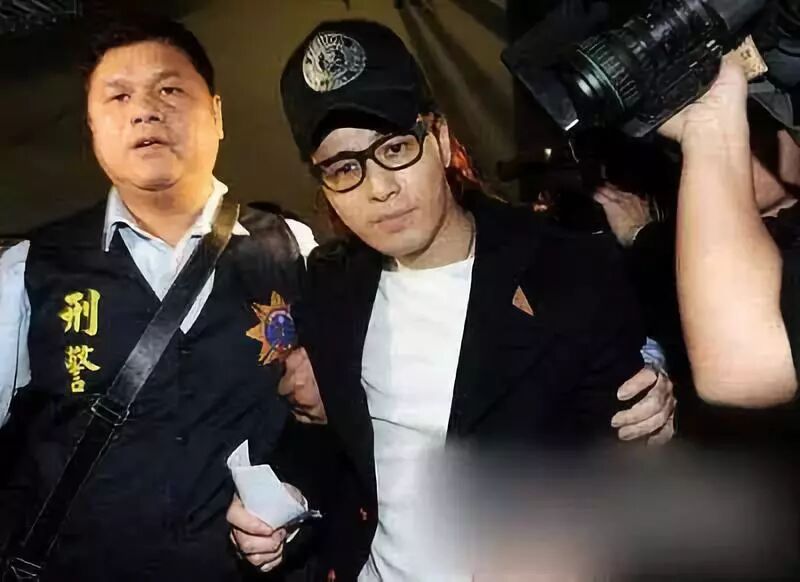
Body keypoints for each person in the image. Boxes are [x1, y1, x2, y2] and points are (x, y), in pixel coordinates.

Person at [228, 19, 677, 581]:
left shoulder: (568, 271)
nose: (380, 188)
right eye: (345, 168)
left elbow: (624, 461)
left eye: (395, 148)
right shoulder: (331, 288)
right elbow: (337, 444)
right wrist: (287, 500)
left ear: (439, 139)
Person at [0, 16, 319, 581]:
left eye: (169, 89)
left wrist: (296, 504)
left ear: (217, 114)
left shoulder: (293, 250)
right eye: (118, 96)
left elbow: (344, 427)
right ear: (92, 128)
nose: (145, 110)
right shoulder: (29, 269)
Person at [658, 55, 800, 408]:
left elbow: (747, 364)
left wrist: (711, 129)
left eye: (751, 123)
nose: (740, 138)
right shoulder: (680, 255)